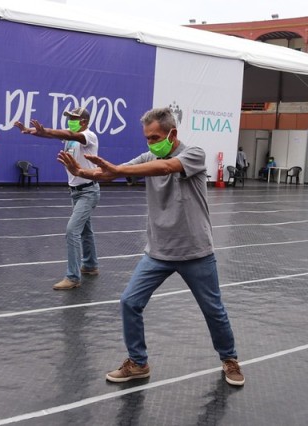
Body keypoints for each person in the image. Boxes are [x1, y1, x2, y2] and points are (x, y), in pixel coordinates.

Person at [57, 107, 244, 386]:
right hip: (158, 251)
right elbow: (113, 173)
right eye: (147, 138)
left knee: (213, 309)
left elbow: (167, 167)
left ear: (173, 133)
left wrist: (119, 169)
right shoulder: (149, 156)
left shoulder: (194, 153)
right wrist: (83, 171)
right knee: (130, 302)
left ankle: (229, 359)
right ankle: (138, 362)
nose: (151, 143)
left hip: (195, 251)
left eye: (155, 137)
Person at [14, 107, 101, 290]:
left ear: (84, 121)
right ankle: (91, 265)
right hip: (76, 191)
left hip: (88, 191)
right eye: (69, 117)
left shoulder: (88, 136)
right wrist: (33, 132)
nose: (70, 120)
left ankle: (72, 277)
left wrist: (46, 130)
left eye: (74, 118)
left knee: (72, 230)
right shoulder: (71, 138)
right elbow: (56, 135)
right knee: (85, 230)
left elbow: (67, 133)